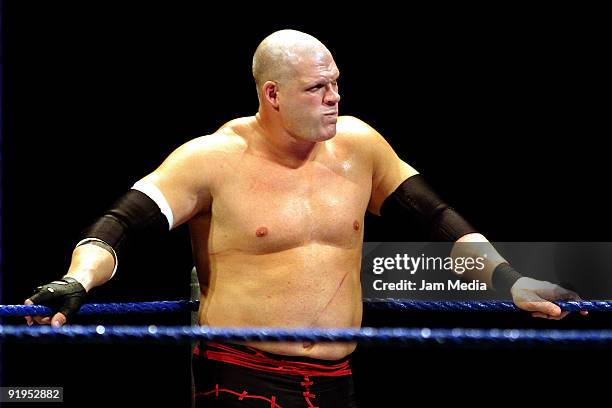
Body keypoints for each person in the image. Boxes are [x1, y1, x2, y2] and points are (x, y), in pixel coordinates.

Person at [24, 29, 585, 407]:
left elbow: (438, 220)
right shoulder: (211, 159)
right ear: (271, 93)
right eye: (317, 88)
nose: (334, 98)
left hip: (338, 378)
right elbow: (118, 226)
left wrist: (510, 281)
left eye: (336, 83)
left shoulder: (360, 147)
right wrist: (77, 280)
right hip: (241, 374)